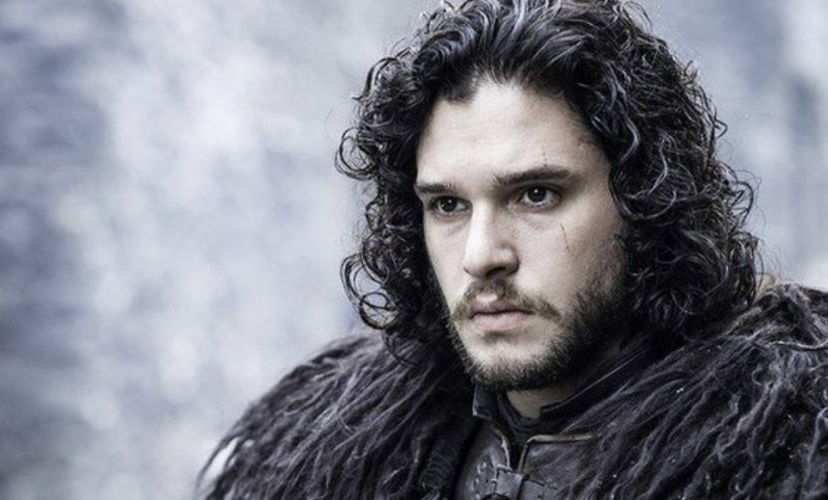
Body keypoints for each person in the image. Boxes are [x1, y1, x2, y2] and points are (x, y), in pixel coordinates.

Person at [202, 1, 828, 498]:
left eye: (536, 195)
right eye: (448, 205)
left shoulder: (791, 445)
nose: (481, 256)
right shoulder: (337, 446)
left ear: (645, 198)